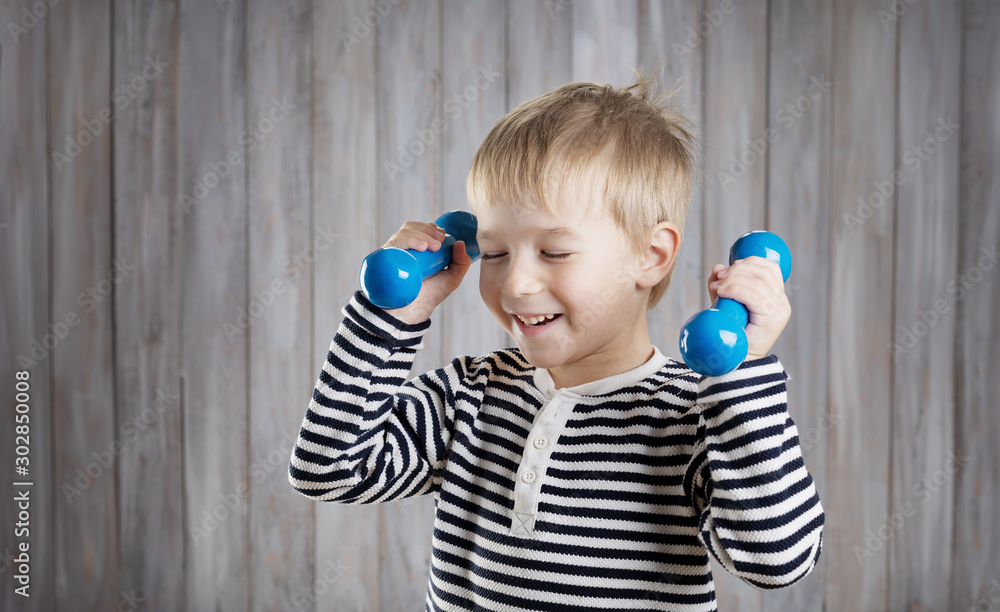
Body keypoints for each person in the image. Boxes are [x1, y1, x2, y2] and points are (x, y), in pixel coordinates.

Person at [288, 76, 824, 611]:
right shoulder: (471, 395)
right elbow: (328, 470)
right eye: (495, 253)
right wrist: (389, 317)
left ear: (651, 255)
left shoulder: (693, 416)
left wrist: (742, 375)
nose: (516, 283)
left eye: (555, 252)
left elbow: (776, 559)